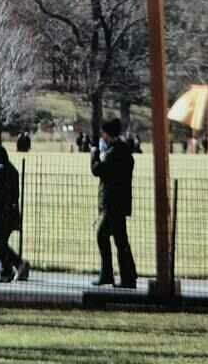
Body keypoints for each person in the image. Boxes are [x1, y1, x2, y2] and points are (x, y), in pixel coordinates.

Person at [90, 118, 137, 289]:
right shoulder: (123, 151)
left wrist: (94, 153)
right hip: (121, 202)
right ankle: (127, 275)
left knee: (103, 235)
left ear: (108, 134)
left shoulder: (113, 153)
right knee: (120, 239)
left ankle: (110, 274)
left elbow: (97, 170)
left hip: (112, 203)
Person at [0, 145, 28, 283]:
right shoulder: (12, 170)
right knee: (1, 241)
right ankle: (5, 272)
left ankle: (19, 264)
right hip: (11, 212)